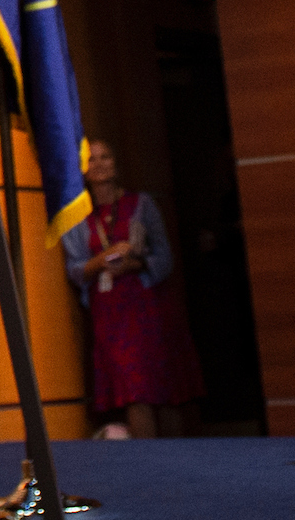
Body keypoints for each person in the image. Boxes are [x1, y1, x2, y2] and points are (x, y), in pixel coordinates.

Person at [62, 139, 202, 438]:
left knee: (165, 390)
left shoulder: (142, 205)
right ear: (83, 170)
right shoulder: (77, 215)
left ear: (116, 163)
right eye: (91, 159)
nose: (99, 164)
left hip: (149, 305)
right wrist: (100, 261)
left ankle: (180, 469)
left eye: (105, 157)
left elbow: (165, 257)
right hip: (111, 313)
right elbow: (75, 269)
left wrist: (134, 264)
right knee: (134, 392)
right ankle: (147, 471)